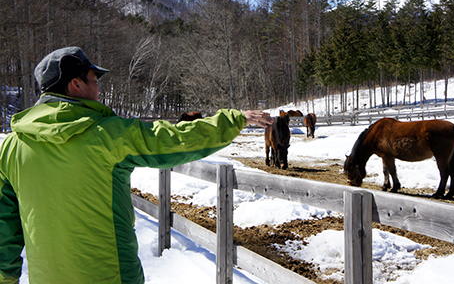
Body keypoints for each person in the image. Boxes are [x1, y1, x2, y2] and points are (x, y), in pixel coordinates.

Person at [0, 47, 273, 284]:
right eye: (95, 80)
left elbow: (5, 231)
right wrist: (234, 120)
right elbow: (174, 140)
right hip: (111, 276)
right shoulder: (108, 135)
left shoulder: (11, 148)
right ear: (76, 85)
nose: (98, 88)